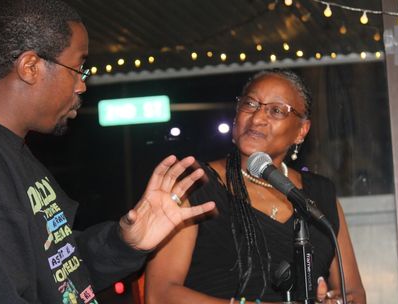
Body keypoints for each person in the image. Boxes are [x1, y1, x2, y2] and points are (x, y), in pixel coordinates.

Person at [0, 1, 215, 303]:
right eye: (77, 68)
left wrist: (125, 242)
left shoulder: (3, 148)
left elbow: (58, 271)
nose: (82, 85)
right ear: (30, 67)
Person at [145, 69, 366, 303]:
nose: (258, 117)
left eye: (276, 110)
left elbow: (354, 293)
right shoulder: (194, 184)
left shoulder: (321, 195)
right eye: (250, 104)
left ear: (301, 131)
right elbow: (160, 295)